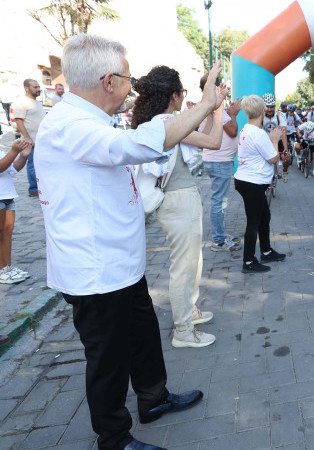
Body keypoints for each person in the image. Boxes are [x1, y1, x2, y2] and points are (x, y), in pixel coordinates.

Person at [36, 34, 227, 450]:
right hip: (95, 269)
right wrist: (207, 104)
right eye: (127, 77)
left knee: (142, 334)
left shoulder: (90, 121)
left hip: (121, 261)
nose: (132, 85)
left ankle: (153, 398)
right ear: (109, 81)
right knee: (107, 358)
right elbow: (137, 146)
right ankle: (115, 437)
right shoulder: (71, 125)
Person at [132, 66, 221, 349]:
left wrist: (211, 110)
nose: (184, 98)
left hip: (183, 199)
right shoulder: (167, 123)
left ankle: (190, 312)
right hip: (177, 201)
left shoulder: (169, 122)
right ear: (173, 95)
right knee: (184, 266)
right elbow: (213, 141)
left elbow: (204, 137)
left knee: (193, 263)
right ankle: (182, 330)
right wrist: (216, 109)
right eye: (182, 93)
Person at [235, 95, 286, 273]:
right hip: (252, 183)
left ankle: (266, 251)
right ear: (263, 112)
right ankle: (248, 262)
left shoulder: (247, 129)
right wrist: (274, 139)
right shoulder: (258, 134)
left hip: (248, 181)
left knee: (265, 218)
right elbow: (273, 158)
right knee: (253, 223)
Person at [203, 76, 242, 252]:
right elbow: (232, 131)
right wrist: (233, 114)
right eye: (220, 86)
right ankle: (218, 240)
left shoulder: (211, 105)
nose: (224, 89)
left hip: (217, 160)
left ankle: (220, 234)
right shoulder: (216, 106)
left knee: (219, 200)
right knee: (219, 201)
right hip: (219, 161)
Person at [0, 137, 33, 284]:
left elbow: (11, 169)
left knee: (7, 233)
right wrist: (14, 151)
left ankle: (7, 268)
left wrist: (23, 156)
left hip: (7, 195)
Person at [12, 79, 45, 197]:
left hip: (40, 140)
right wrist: (27, 138)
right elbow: (19, 120)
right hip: (31, 140)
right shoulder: (21, 102)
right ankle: (33, 189)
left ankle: (40, 187)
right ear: (27, 88)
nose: (38, 89)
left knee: (40, 164)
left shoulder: (37, 102)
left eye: (38, 87)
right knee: (32, 164)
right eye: (35, 87)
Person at [262, 93, 290, 182]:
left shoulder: (280, 115)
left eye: (272, 107)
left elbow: (284, 133)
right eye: (267, 107)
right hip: (266, 140)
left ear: (275, 106)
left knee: (287, 158)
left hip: (278, 140)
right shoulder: (260, 115)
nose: (269, 109)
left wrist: (285, 149)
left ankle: (285, 171)